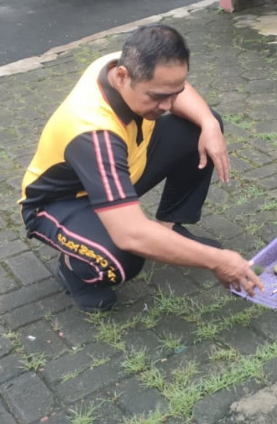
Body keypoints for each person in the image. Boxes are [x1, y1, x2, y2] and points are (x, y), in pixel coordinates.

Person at [19, 24, 263, 311]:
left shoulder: (122, 65)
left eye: (174, 92)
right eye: (157, 96)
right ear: (123, 78)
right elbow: (131, 234)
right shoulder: (93, 132)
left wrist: (209, 123)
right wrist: (217, 261)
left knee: (201, 126)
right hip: (61, 202)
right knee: (124, 255)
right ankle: (73, 267)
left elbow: (174, 89)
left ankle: (169, 226)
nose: (168, 104)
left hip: (121, 166)